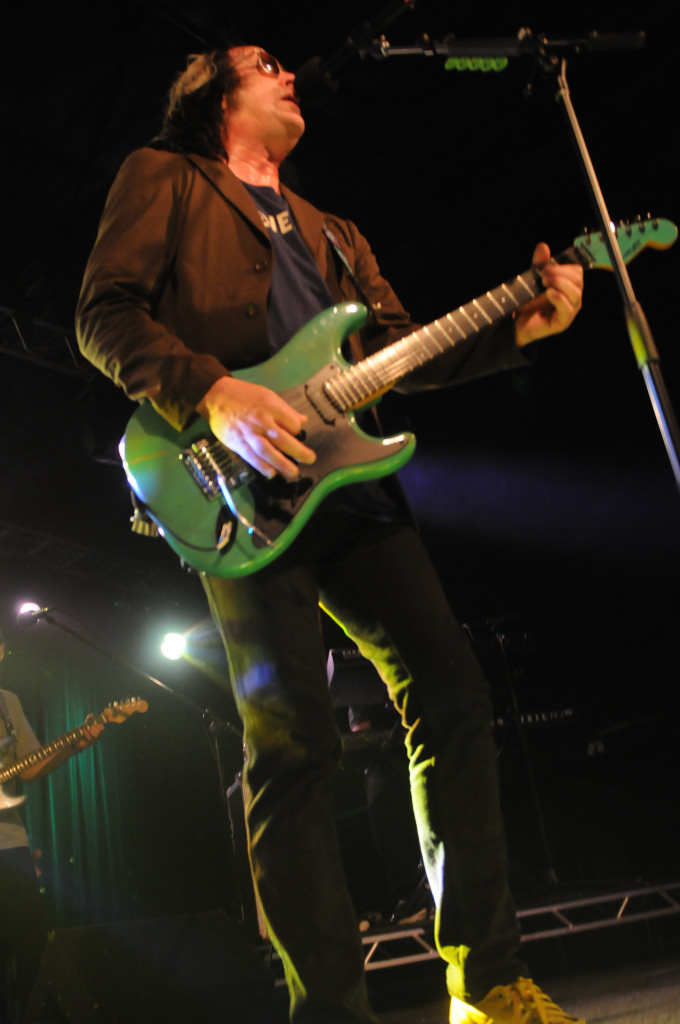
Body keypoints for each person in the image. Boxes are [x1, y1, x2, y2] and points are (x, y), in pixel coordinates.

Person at [75, 44, 585, 1024]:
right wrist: (212, 391)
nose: (288, 74)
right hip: (232, 487)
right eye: (263, 62)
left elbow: (398, 353)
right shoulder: (165, 175)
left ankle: (485, 984)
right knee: (293, 744)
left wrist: (519, 327)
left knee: (450, 693)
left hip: (351, 489)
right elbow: (102, 314)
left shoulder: (336, 232)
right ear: (210, 93)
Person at [0, 627, 104, 1021]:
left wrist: (75, 744)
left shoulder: (7, 702)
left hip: (10, 844)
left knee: (32, 948)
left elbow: (30, 766)